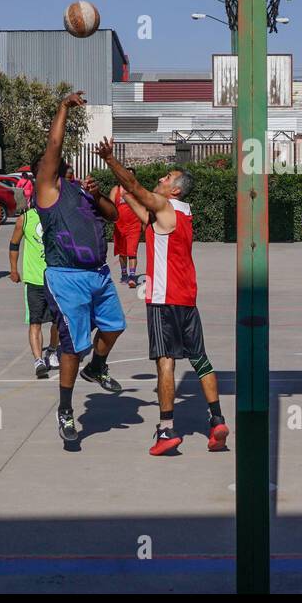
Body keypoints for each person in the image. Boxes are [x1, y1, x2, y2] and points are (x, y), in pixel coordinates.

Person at [96, 138, 229, 456]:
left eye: (167, 177)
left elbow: (134, 185)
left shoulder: (166, 207)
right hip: (187, 298)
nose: (162, 178)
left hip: (164, 299)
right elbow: (133, 197)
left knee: (165, 362)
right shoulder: (179, 214)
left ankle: (167, 429)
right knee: (200, 360)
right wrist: (108, 190)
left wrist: (110, 159)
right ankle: (217, 420)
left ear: (175, 190)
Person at [36, 93, 126, 444]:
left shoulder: (79, 192)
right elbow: (54, 145)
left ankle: (98, 367)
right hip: (66, 277)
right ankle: (66, 411)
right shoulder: (47, 191)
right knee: (73, 345)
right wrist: (63, 108)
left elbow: (113, 214)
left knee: (115, 327)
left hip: (99, 275)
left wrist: (98, 193)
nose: (67, 168)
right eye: (61, 166)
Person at [9, 169, 61, 380]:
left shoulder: (57, 218)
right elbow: (14, 244)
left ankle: (52, 351)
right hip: (33, 279)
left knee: (57, 321)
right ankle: (38, 360)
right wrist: (13, 269)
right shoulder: (25, 219)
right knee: (35, 322)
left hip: (55, 278)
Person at [111, 184, 144, 288]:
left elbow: (142, 206)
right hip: (119, 226)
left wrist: (143, 223)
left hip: (134, 225)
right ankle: (124, 274)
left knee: (132, 252)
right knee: (122, 253)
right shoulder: (116, 189)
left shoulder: (135, 189)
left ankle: (132, 277)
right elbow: (111, 206)